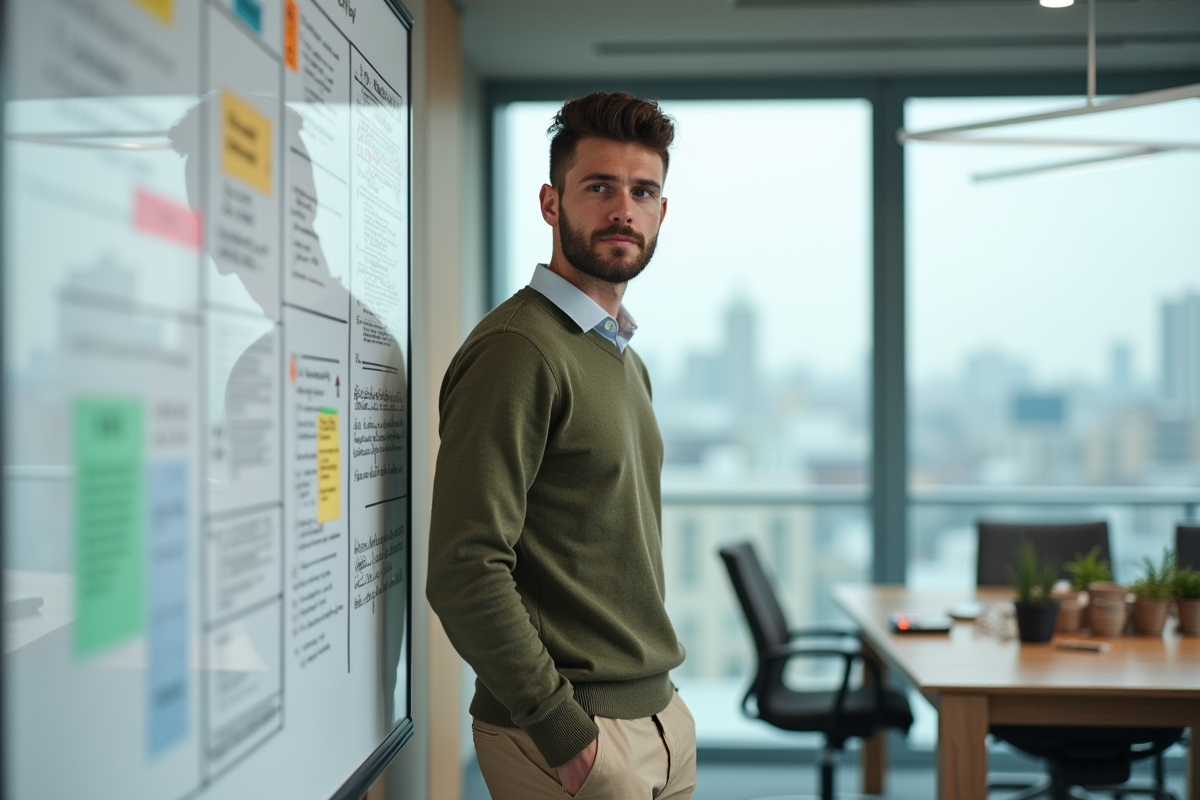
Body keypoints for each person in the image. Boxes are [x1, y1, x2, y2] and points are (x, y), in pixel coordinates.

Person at [427, 91, 696, 799]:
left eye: (644, 192)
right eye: (599, 187)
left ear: (662, 212)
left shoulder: (622, 358)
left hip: (656, 716)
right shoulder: (519, 349)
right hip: (574, 734)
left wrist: (666, 712)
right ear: (551, 203)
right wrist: (563, 732)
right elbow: (464, 566)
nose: (623, 210)